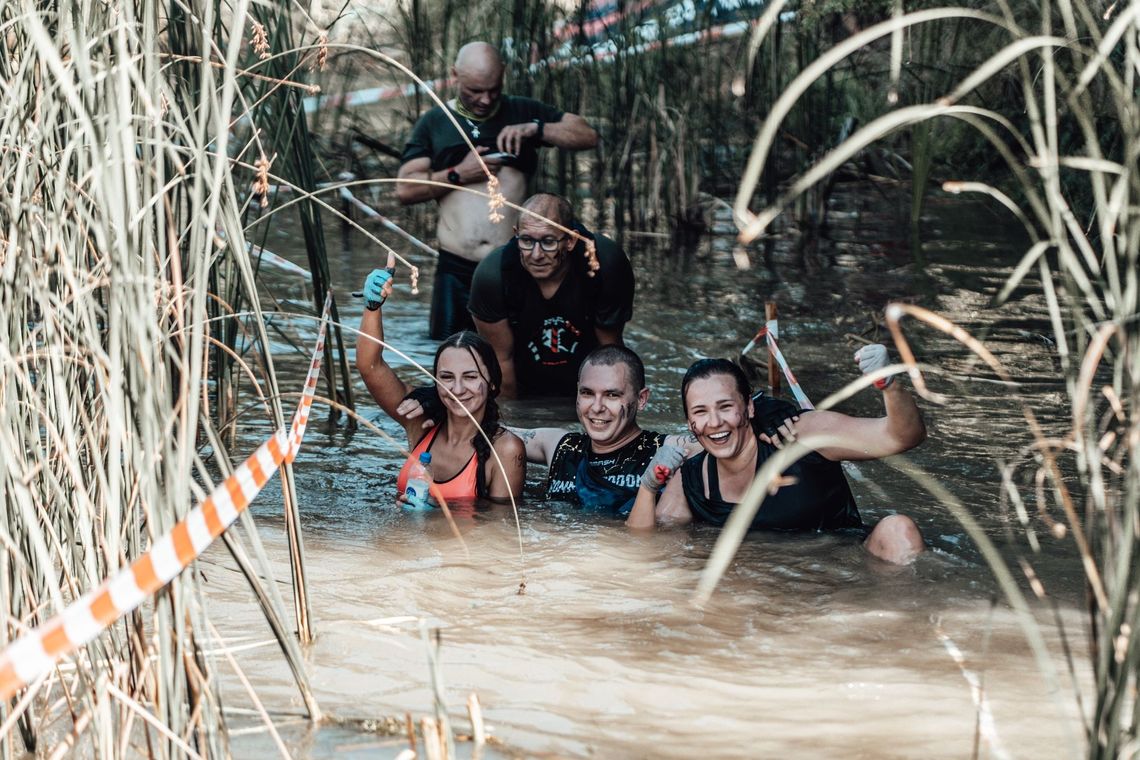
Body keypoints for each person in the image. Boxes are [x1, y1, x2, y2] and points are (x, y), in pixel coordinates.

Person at [627, 345, 927, 565]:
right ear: (689, 423)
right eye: (700, 412)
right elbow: (646, 546)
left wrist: (889, 384)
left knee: (898, 529)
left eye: (725, 407)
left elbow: (902, 437)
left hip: (845, 577)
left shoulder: (802, 434)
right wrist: (649, 485)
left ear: (750, 406)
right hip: (768, 593)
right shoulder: (692, 477)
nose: (715, 422)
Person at [396, 41, 599, 340]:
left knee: (519, 359)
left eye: (493, 89)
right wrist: (457, 173)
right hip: (456, 271)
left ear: (503, 74)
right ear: (455, 76)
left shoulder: (522, 110)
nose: (485, 99)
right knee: (449, 358)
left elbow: (587, 135)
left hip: (515, 266)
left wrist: (536, 129)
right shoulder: (436, 121)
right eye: (475, 91)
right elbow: (404, 189)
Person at [355, 268, 525, 505]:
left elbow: (499, 531)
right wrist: (372, 308)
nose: (457, 388)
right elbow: (369, 366)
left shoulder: (506, 449)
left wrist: (435, 516)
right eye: (446, 377)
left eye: (470, 376)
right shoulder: (419, 420)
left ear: (493, 382)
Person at [468, 193, 635, 397]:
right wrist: (511, 421)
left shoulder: (603, 264)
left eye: (548, 241)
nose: (536, 255)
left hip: (588, 377)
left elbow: (610, 355)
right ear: (516, 234)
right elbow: (501, 363)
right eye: (527, 241)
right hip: (523, 378)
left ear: (571, 241)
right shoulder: (492, 275)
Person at [507, 345, 697, 517]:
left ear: (641, 399)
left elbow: (719, 443)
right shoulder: (559, 445)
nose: (596, 407)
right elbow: (488, 432)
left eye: (612, 395)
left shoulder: (664, 448)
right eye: (587, 393)